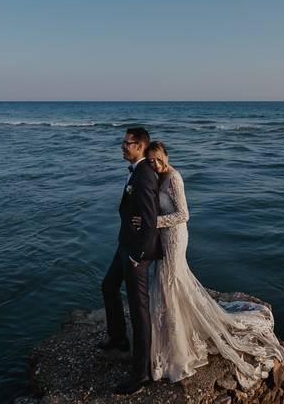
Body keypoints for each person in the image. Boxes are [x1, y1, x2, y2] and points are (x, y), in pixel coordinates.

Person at [134, 141, 284, 388]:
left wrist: (152, 223)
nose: (155, 163)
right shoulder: (158, 177)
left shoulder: (174, 178)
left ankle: (178, 347)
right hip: (164, 237)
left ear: (166, 155)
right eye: (150, 160)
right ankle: (169, 337)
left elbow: (184, 214)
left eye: (158, 158)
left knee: (171, 280)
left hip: (175, 236)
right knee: (166, 282)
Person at [98, 127, 163, 395]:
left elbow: (150, 222)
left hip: (136, 251)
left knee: (139, 311)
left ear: (140, 146)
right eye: (123, 142)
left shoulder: (145, 175)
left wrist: (138, 255)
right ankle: (118, 339)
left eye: (127, 143)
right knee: (108, 286)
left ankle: (141, 374)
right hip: (124, 244)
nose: (122, 146)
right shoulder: (137, 171)